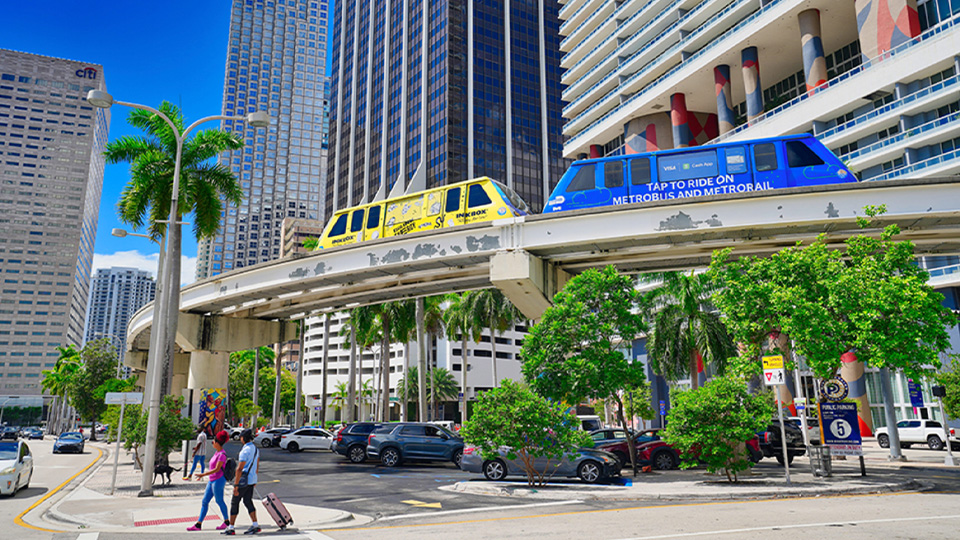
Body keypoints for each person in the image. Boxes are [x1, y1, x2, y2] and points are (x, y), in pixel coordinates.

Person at [187, 431, 230, 531]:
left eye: (213, 441)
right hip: (212, 481)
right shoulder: (217, 453)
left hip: (218, 480)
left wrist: (203, 474)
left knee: (219, 501)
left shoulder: (222, 455)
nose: (212, 443)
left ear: (217, 443)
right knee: (205, 501)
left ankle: (227, 522)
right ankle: (198, 524)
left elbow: (217, 469)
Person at [224, 429, 260, 535]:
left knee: (235, 502)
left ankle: (231, 527)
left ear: (243, 438)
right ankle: (255, 524)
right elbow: (257, 465)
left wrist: (236, 484)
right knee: (248, 501)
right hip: (251, 480)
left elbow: (239, 469)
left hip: (243, 481)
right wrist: (254, 478)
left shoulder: (245, 451)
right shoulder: (256, 449)